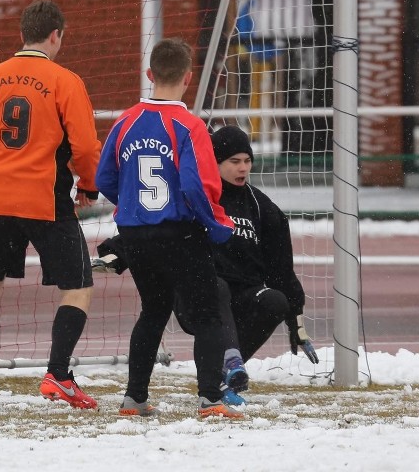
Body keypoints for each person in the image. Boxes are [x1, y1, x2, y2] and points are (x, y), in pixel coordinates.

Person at [94, 125, 319, 406]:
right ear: (215, 162)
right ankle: (227, 365)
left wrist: (296, 320)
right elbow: (159, 230)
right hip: (196, 298)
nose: (243, 168)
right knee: (217, 287)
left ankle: (227, 374)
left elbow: (282, 269)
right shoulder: (196, 198)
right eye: (234, 162)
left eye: (247, 161)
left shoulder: (262, 208)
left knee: (274, 300)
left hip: (244, 299)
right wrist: (116, 253)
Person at [0, 0, 101, 411]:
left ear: (22, 34)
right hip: (45, 197)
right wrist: (88, 186)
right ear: (56, 35)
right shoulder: (64, 80)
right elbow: (87, 145)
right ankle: (58, 374)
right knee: (78, 285)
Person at [95, 38, 243, 419]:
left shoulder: (125, 121)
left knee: (154, 310)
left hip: (136, 235)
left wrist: (131, 203)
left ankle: (134, 399)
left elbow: (104, 177)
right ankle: (210, 400)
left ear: (149, 75)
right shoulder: (189, 126)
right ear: (188, 78)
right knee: (208, 313)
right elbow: (198, 184)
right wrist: (214, 222)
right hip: (179, 231)